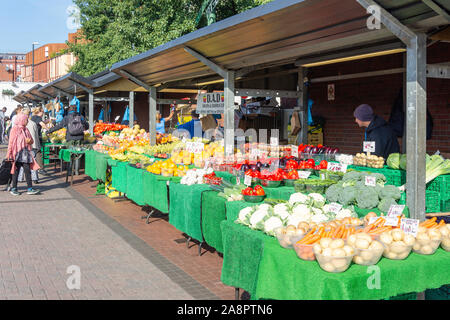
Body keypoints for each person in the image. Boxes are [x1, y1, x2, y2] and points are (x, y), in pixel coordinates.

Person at [6, 113, 40, 196]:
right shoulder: (14, 129)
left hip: (25, 153)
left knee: (27, 171)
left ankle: (30, 188)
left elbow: (31, 140)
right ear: (21, 120)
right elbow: (10, 142)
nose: (27, 121)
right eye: (26, 120)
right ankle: (14, 188)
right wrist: (9, 154)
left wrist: (30, 141)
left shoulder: (26, 129)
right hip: (16, 153)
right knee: (15, 171)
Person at [19, 109, 40, 184]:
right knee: (33, 161)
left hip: (23, 146)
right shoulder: (33, 123)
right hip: (33, 145)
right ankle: (35, 178)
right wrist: (38, 145)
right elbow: (36, 136)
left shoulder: (20, 123)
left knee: (21, 161)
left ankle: (20, 178)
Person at [31, 107, 50, 175]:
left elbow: (41, 123)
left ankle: (37, 168)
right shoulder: (37, 117)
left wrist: (48, 121)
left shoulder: (34, 117)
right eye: (42, 112)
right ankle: (40, 169)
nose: (43, 114)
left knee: (35, 153)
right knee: (38, 152)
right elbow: (42, 124)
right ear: (40, 112)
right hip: (36, 137)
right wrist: (49, 130)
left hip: (33, 137)